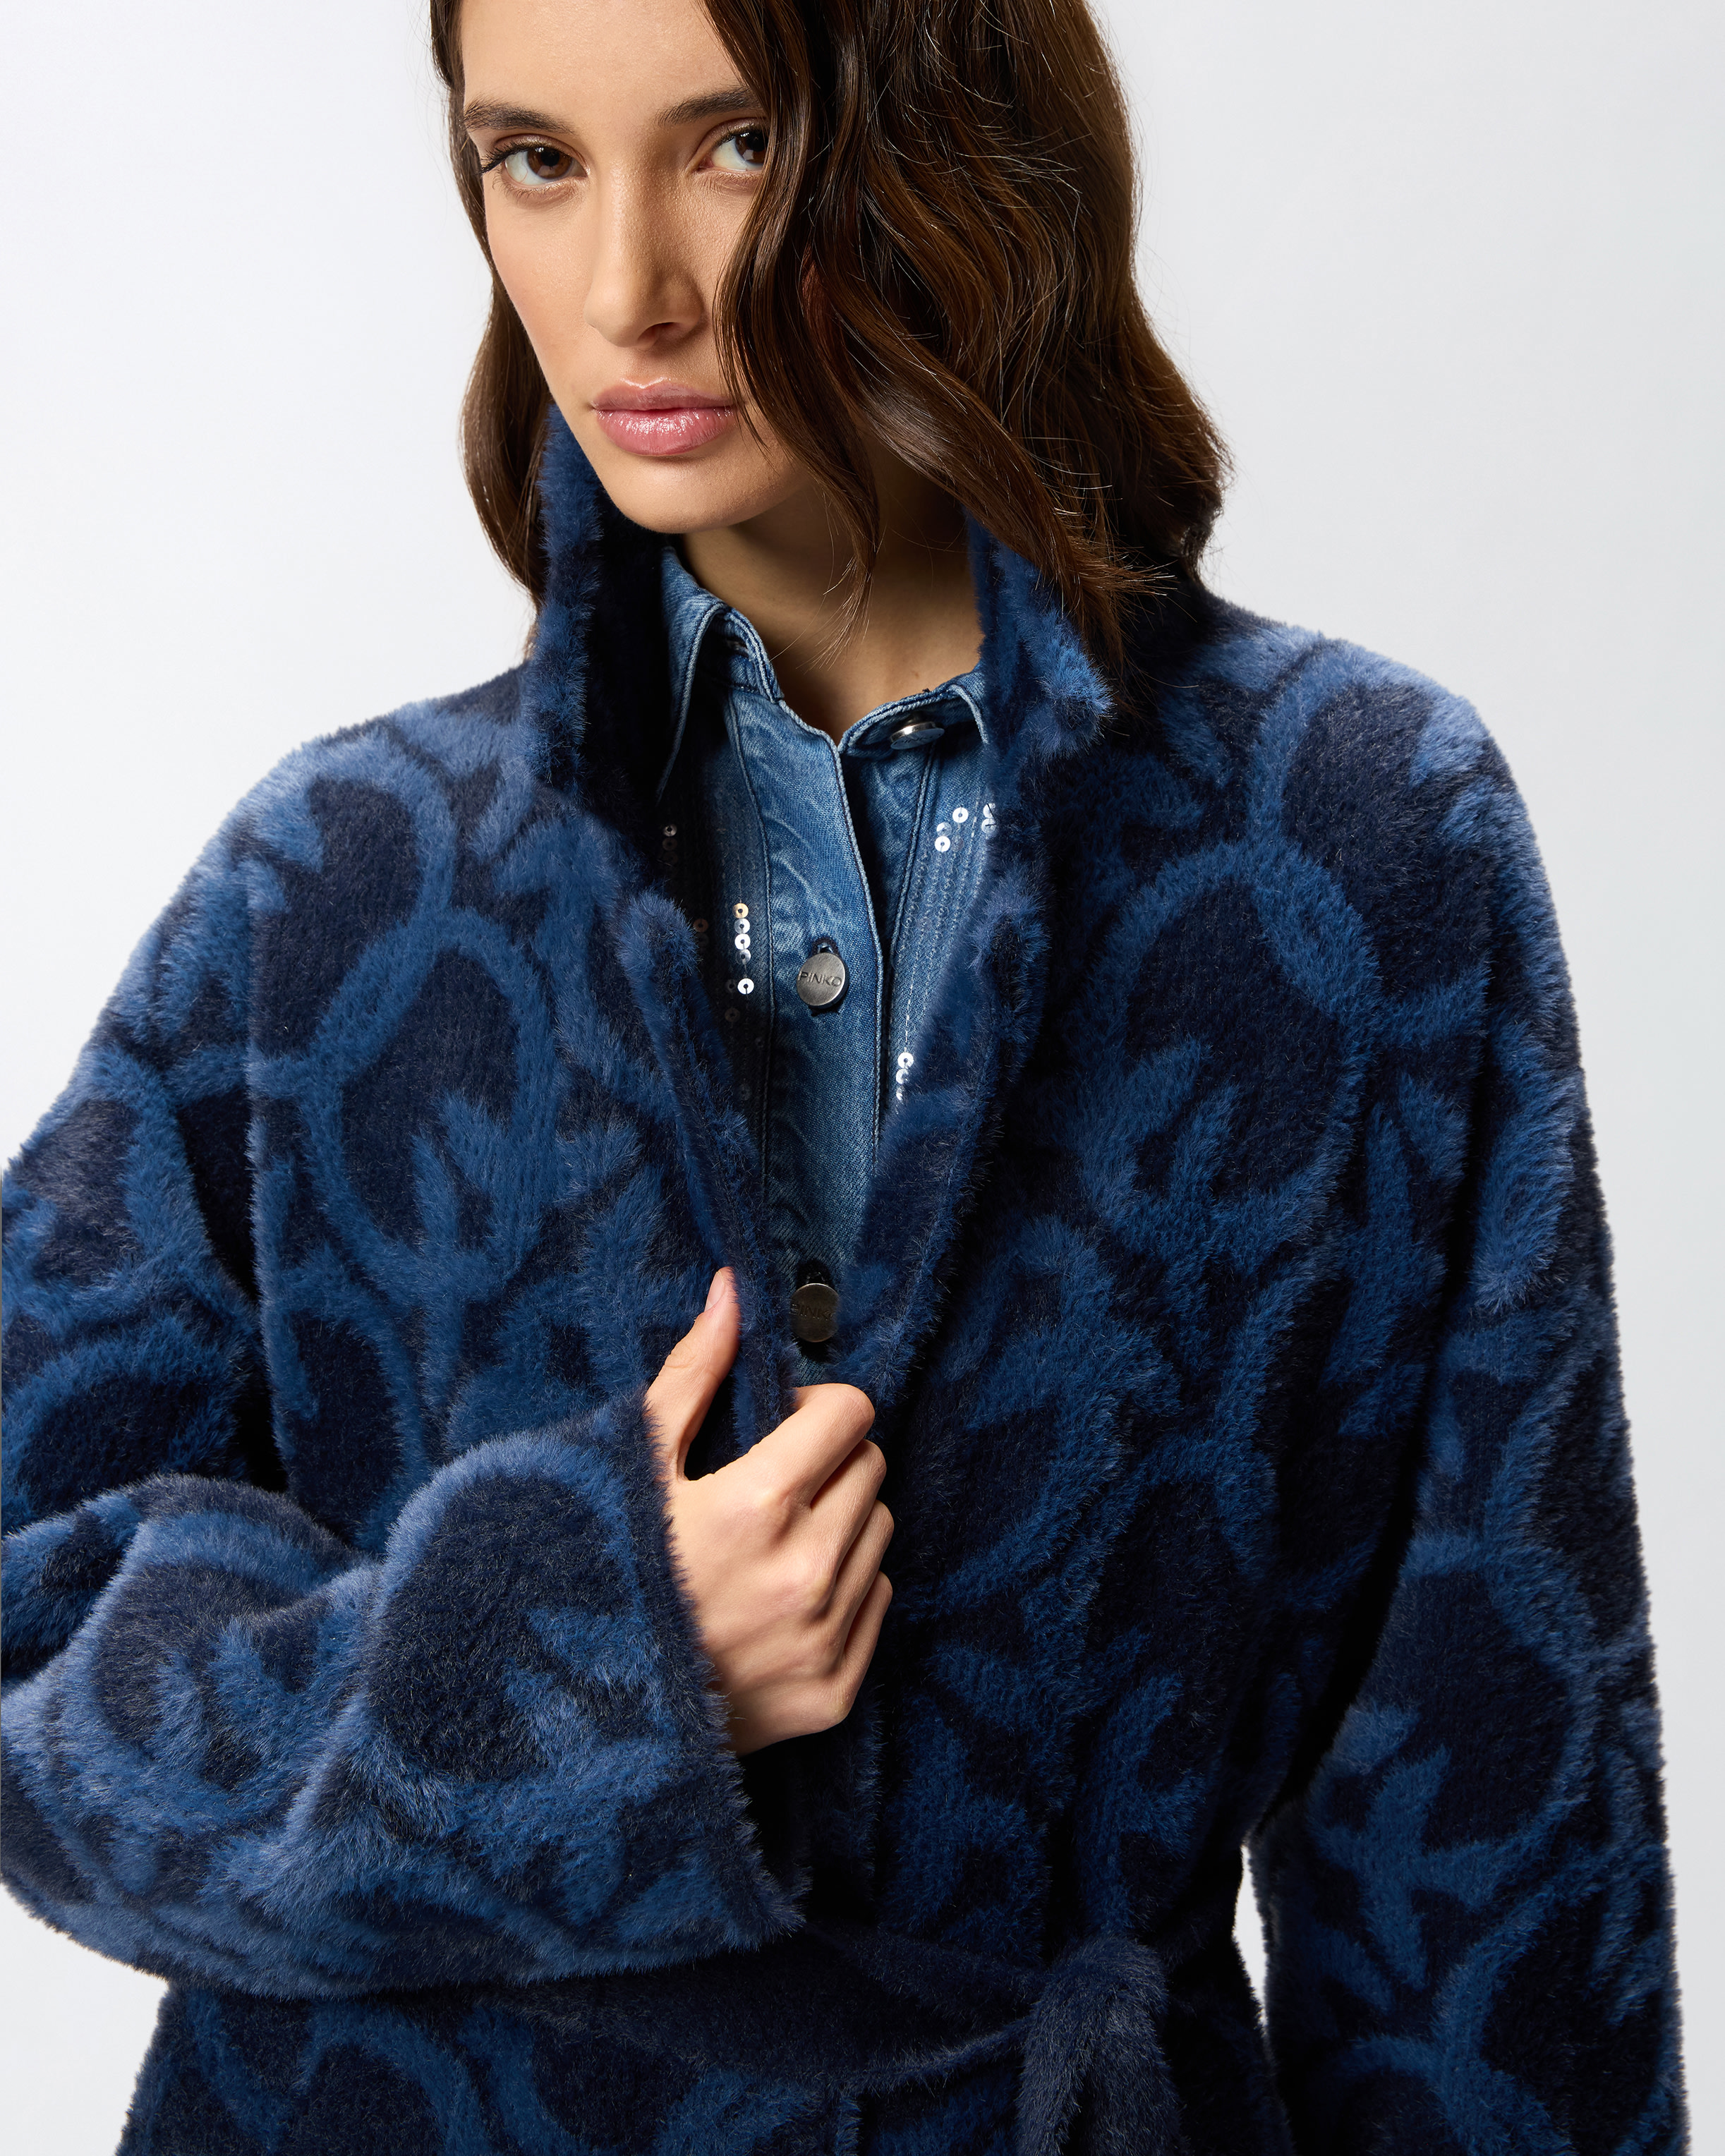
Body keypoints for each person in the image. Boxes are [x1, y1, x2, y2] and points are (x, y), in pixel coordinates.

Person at [0, 0, 1688, 2148]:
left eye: (736, 146)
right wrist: (580, 1662)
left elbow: (1503, 1836)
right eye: (535, 159)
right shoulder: (339, 885)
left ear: (957, 132)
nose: (628, 288)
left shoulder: (1352, 844)